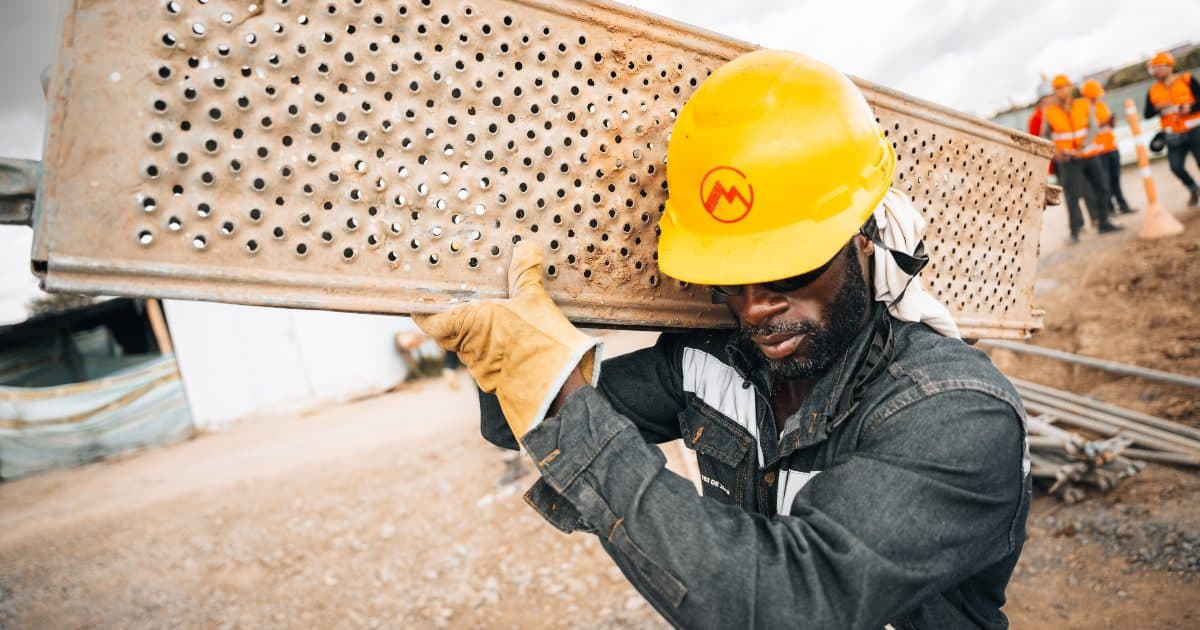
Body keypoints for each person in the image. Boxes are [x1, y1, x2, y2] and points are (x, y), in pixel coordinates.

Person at [416, 50, 1031, 628]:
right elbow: (513, 421)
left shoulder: (958, 413)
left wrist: (558, 391)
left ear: (863, 236)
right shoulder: (713, 363)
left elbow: (789, 600)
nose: (757, 309)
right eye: (729, 283)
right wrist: (507, 334)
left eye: (791, 270)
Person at [1040, 74, 1122, 242]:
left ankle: (1104, 222)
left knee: (1101, 188)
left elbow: (1093, 127)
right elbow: (1045, 137)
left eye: (1064, 87)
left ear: (1070, 88)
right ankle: (1075, 232)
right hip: (1068, 160)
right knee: (1072, 196)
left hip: (1088, 154)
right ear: (1054, 92)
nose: (1062, 91)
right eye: (1057, 89)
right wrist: (1056, 153)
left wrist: (1083, 146)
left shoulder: (1083, 105)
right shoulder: (1050, 113)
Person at [1144, 51, 1200, 207]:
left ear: (1169, 67)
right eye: (1154, 68)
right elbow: (1147, 114)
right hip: (1173, 134)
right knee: (1175, 166)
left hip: (1194, 129)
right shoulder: (1153, 91)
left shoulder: (1186, 80)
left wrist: (1191, 108)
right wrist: (1157, 108)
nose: (1156, 71)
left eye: (1159, 67)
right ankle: (1193, 189)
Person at [1080, 79, 1135, 214]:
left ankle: (1123, 205)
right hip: (1099, 150)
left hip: (1111, 147)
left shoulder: (1101, 105)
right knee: (1105, 182)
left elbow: (1109, 125)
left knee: (1115, 179)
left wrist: (1110, 122)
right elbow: (1088, 129)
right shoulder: (1083, 109)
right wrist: (1102, 124)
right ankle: (1109, 208)